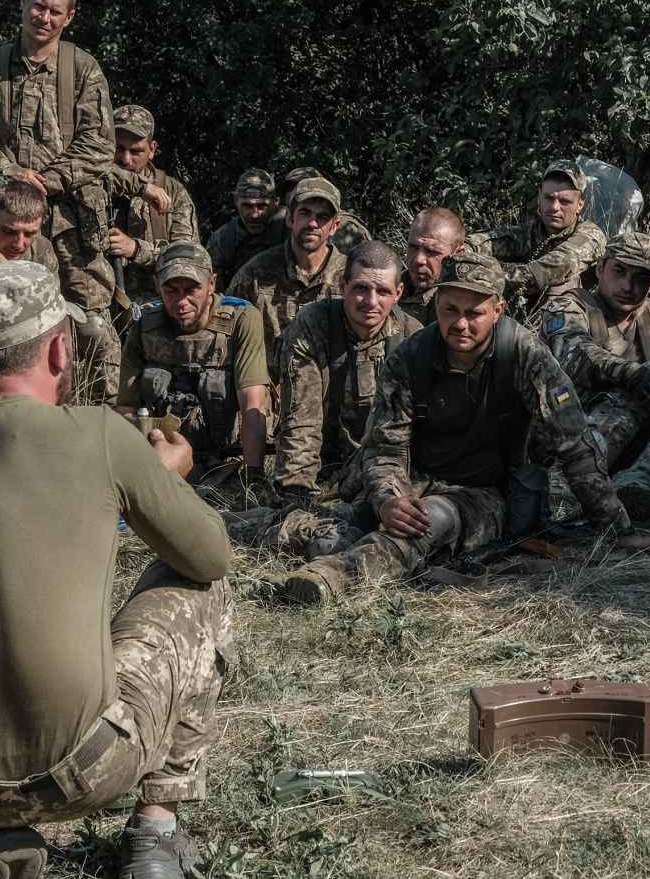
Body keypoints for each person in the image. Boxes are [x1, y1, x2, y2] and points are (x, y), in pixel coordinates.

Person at [0, 260, 233, 879]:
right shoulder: (99, 435)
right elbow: (209, 556)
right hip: (85, 767)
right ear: (61, 347)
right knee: (199, 589)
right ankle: (155, 824)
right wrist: (168, 476)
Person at [275, 251, 628, 604]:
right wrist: (389, 500)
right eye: (450, 311)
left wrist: (614, 527)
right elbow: (385, 447)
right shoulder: (411, 356)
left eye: (474, 313)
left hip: (486, 494)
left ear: (498, 311)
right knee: (329, 533)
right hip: (415, 479)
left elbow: (575, 445)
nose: (460, 324)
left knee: (428, 522)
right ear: (437, 305)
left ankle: (332, 578)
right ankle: (266, 527)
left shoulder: (524, 354)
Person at [0, 0, 121, 403]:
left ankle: (92, 416)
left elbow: (99, 143)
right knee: (4, 315)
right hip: (9, 218)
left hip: (70, 226)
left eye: (55, 11)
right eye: (38, 5)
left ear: (69, 17)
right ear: (23, 2)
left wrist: (47, 181)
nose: (43, 17)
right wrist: (9, 171)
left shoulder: (83, 69)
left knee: (88, 322)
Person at [541, 231, 650, 518]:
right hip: (571, 428)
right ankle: (564, 496)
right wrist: (634, 374)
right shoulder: (570, 305)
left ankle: (638, 485)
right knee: (630, 396)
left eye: (640, 278)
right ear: (600, 269)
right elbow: (573, 353)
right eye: (619, 272)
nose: (628, 286)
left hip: (631, 436)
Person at [274, 240, 424, 498]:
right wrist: (295, 490)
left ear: (398, 293)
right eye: (361, 289)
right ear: (342, 286)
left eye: (383, 292)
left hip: (385, 465)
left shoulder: (414, 338)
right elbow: (301, 419)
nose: (371, 301)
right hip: (326, 464)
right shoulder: (313, 325)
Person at [118, 242, 271, 492]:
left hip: (228, 453)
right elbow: (126, 409)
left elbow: (252, 405)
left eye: (192, 289)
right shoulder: (145, 326)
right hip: (165, 451)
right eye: (171, 290)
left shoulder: (242, 319)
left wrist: (253, 478)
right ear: (158, 285)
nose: (181, 301)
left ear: (211, 283)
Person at [226, 176, 350, 380]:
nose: (312, 223)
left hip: (332, 398)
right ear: (290, 218)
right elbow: (227, 333)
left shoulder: (351, 278)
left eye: (322, 217)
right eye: (305, 213)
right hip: (269, 396)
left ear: (334, 226)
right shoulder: (255, 274)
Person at [469, 160, 606, 314]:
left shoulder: (590, 236)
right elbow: (490, 239)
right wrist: (465, 248)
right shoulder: (531, 231)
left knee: (560, 283)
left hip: (579, 321)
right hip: (525, 314)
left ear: (579, 205)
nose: (554, 207)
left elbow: (551, 268)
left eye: (565, 201)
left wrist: (485, 273)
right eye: (549, 198)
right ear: (539, 197)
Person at [106, 104, 199, 302]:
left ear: (152, 149)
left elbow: (187, 259)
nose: (125, 159)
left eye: (136, 151)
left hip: (156, 308)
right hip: (104, 304)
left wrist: (137, 250)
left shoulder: (173, 192)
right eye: (118, 149)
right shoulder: (94, 187)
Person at [205, 168, 282, 282]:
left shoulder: (289, 232)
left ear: (275, 203)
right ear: (236, 201)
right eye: (247, 206)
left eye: (262, 206)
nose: (254, 214)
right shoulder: (222, 240)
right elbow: (211, 288)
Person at [402, 207, 467, 326]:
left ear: (458, 254)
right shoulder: (386, 288)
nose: (418, 260)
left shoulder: (464, 304)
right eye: (413, 247)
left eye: (431, 251)